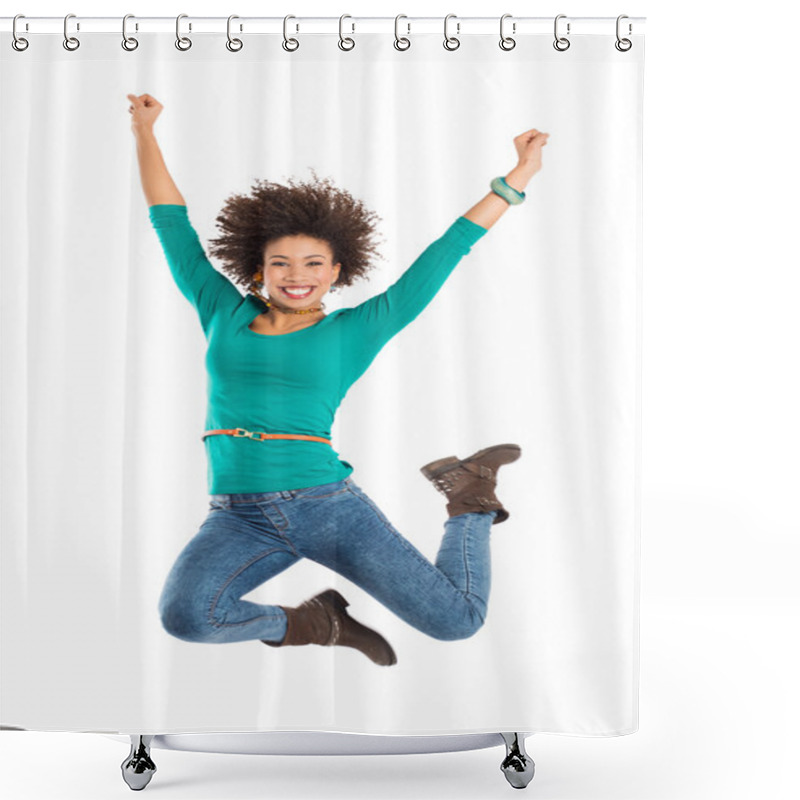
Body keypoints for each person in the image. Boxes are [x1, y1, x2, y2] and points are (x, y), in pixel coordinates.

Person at [127, 92, 549, 667]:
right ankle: (314, 623)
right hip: (237, 515)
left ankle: (472, 495)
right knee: (188, 617)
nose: (297, 277)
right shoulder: (222, 312)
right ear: (259, 269)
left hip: (325, 507)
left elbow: (444, 254)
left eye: (313, 265)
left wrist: (515, 178)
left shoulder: (358, 329)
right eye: (281, 264)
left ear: (336, 271)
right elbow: (170, 223)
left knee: (456, 622)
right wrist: (144, 131)